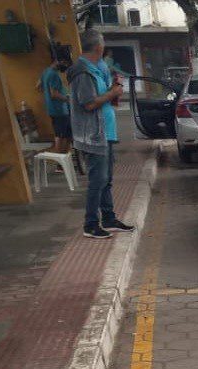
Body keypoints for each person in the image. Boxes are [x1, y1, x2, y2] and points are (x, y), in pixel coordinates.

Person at [67, 29, 133, 239]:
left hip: (106, 131)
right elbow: (88, 104)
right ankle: (90, 224)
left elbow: (103, 96)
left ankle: (109, 218)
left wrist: (114, 90)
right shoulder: (82, 73)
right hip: (92, 135)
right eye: (103, 43)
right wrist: (112, 93)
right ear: (98, 47)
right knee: (98, 180)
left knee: (107, 179)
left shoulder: (98, 67)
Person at [39, 56, 72, 153]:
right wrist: (67, 99)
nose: (65, 65)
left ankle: (64, 158)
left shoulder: (46, 72)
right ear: (57, 61)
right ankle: (59, 160)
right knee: (61, 135)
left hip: (53, 109)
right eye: (64, 62)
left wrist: (47, 96)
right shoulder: (54, 74)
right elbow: (54, 94)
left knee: (67, 134)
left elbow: (38, 86)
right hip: (59, 110)